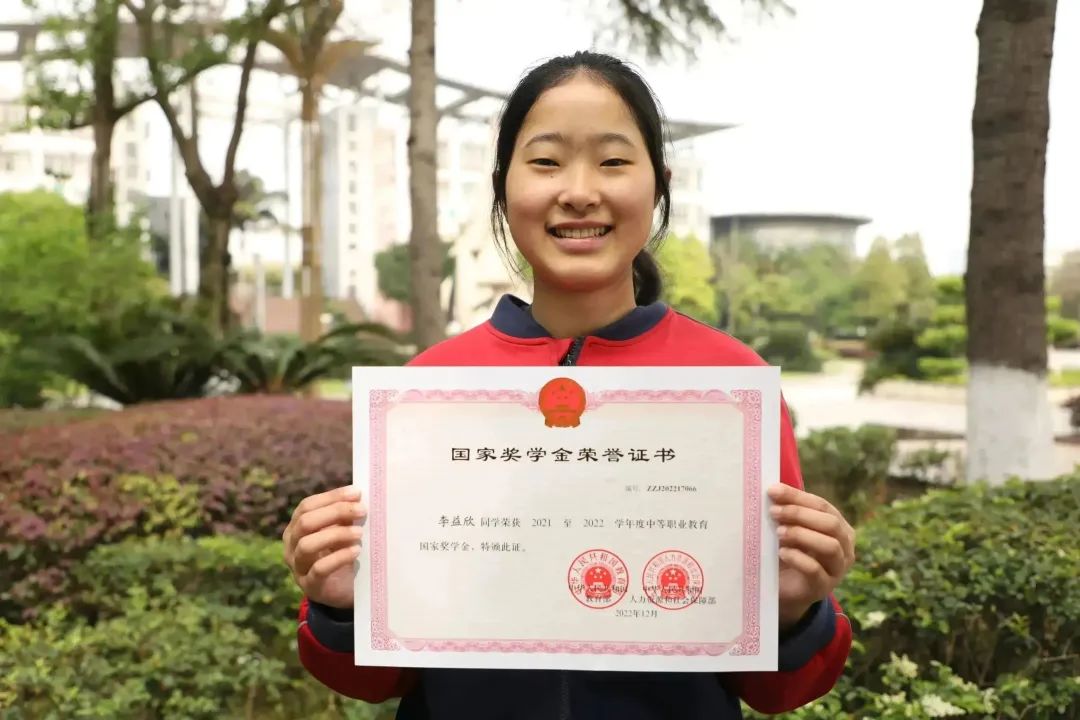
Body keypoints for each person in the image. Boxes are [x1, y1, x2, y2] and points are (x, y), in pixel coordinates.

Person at [284, 50, 855, 719]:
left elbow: (777, 691)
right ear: (503, 187)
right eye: (547, 161)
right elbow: (382, 678)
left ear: (659, 184)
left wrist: (792, 611)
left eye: (612, 161)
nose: (580, 191)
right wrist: (340, 605)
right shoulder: (425, 395)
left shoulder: (732, 389)